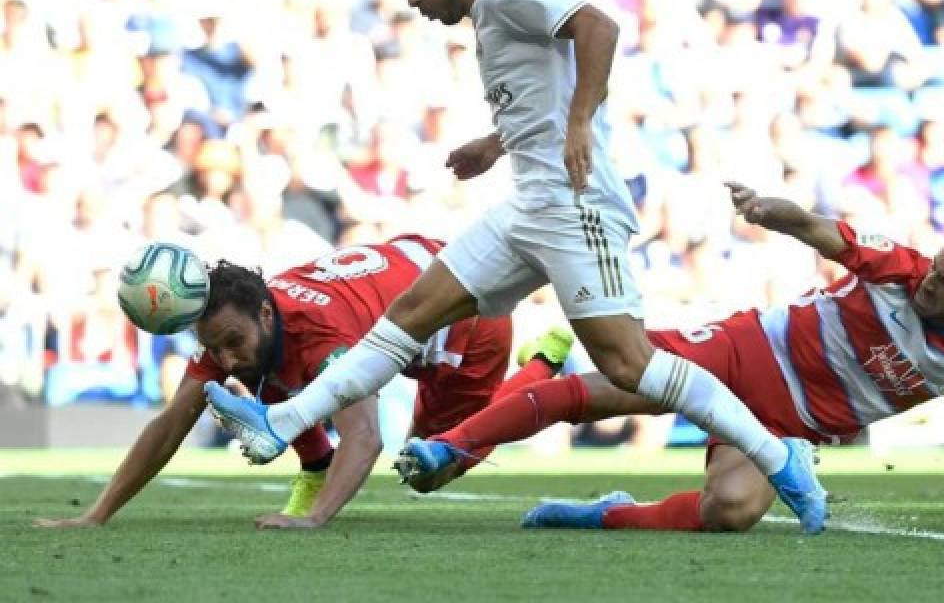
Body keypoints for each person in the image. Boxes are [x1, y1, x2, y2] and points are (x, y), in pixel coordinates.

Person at [204, 0, 825, 530]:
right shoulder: (490, 16)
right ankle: (281, 421)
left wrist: (581, 121)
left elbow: (600, 26)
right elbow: (540, 95)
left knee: (628, 364)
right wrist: (496, 142)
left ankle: (779, 456)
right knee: (412, 313)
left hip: (576, 204)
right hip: (529, 205)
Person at [396, 183, 944, 536]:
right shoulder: (897, 264)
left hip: (780, 428)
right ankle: (450, 447)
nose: (929, 282)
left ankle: (603, 514)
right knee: (605, 388)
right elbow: (821, 230)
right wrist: (770, 209)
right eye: (935, 268)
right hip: (742, 351)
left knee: (731, 513)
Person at [33, 235, 572, 530]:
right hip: (407, 274)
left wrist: (315, 520)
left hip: (465, 318)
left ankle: (542, 365)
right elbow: (169, 425)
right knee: (259, 370)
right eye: (213, 345)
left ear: (267, 314)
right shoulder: (242, 323)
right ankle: (313, 465)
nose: (223, 356)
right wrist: (95, 515)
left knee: (429, 467)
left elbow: (364, 437)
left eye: (230, 340)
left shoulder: (321, 337)